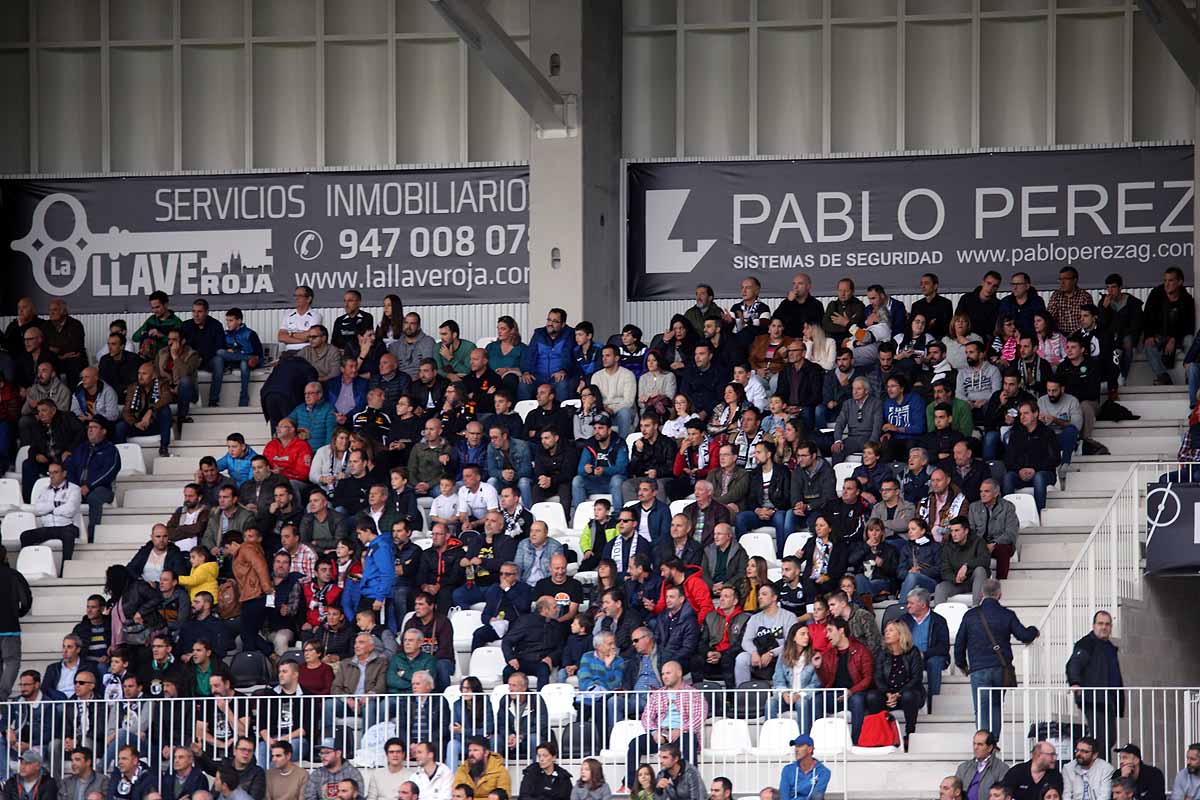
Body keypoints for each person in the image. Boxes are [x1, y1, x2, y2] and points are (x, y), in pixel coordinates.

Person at [955, 579, 1039, 738]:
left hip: (979, 669)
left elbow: (960, 643)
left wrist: (963, 665)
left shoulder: (970, 615)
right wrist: (1034, 630)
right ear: (999, 595)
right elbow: (1024, 636)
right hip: (1001, 669)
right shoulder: (1007, 614)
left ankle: (983, 745)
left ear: (981, 594)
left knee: (982, 708)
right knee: (996, 707)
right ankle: (993, 744)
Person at [624, 661, 706, 791]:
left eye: (668, 673)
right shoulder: (657, 694)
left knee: (688, 739)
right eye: (663, 674)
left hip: (682, 734)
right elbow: (646, 717)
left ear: (679, 673)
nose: (664, 676)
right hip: (661, 734)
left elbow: (699, 717)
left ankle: (690, 784)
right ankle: (631, 785)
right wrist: (654, 732)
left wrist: (681, 730)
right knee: (635, 743)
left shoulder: (693, 693)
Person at [1066, 610, 1125, 756]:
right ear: (1093, 625)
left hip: (1109, 700)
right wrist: (1075, 682)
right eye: (1100, 623)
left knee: (1110, 739)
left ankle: (1100, 768)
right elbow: (1074, 663)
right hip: (1094, 699)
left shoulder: (1109, 647)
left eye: (1107, 624)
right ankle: (1103, 773)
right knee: (1101, 740)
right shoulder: (1087, 643)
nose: (1104, 627)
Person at [866, 619, 925, 745]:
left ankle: (910, 734)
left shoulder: (913, 652)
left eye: (891, 630)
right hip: (888, 695)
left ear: (901, 633)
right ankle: (882, 734)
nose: (886, 633)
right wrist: (887, 693)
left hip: (908, 694)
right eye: (886, 631)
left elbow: (916, 678)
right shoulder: (883, 653)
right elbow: (878, 677)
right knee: (872, 696)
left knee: (909, 696)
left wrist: (899, 694)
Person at [1002, 401, 1061, 512]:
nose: (1022, 417)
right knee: (1008, 478)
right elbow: (1008, 459)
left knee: (1039, 477)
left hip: (1044, 473)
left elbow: (1055, 459)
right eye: (1020, 414)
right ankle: (1007, 514)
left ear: (1035, 414)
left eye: (1026, 413)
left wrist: (1035, 469)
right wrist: (1019, 470)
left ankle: (1039, 514)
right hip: (1020, 473)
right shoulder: (1015, 434)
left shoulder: (1047, 433)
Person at [22, 461, 82, 563]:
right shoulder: (44, 490)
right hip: (48, 527)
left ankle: (66, 568)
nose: (52, 476)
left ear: (64, 473)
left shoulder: (74, 489)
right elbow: (39, 509)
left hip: (67, 526)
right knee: (25, 536)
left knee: (68, 535)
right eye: (50, 473)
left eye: (55, 472)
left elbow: (70, 510)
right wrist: (57, 504)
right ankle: (28, 565)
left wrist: (50, 510)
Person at [118, 362, 174, 457]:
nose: (140, 377)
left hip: (155, 425)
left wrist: (150, 410)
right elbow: (126, 411)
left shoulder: (161, 384)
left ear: (153, 376)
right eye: (139, 373)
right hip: (138, 425)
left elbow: (167, 397)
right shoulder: (133, 388)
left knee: (165, 410)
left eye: (144, 374)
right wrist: (135, 423)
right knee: (120, 426)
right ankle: (122, 455)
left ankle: (164, 448)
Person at [519, 308, 575, 402]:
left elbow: (568, 355)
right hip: (538, 375)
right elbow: (530, 354)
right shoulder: (539, 334)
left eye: (555, 321)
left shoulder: (569, 334)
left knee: (562, 384)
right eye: (549, 320)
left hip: (557, 376)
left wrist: (563, 370)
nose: (550, 324)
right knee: (524, 384)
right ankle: (523, 415)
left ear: (563, 324)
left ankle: (561, 414)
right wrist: (526, 371)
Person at [935, 516, 991, 606]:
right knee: (940, 587)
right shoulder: (947, 547)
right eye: (951, 531)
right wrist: (955, 578)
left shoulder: (978, 542)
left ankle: (976, 607)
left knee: (980, 570)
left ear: (966, 531)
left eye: (957, 530)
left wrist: (966, 565)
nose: (953, 534)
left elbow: (985, 560)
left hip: (975, 580)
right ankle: (938, 617)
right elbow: (944, 570)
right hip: (957, 583)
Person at [778, 735, 831, 800]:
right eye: (795, 746)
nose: (796, 750)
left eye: (800, 746)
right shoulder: (788, 770)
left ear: (810, 749)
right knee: (767, 793)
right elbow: (784, 795)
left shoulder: (823, 772)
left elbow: (817, 796)